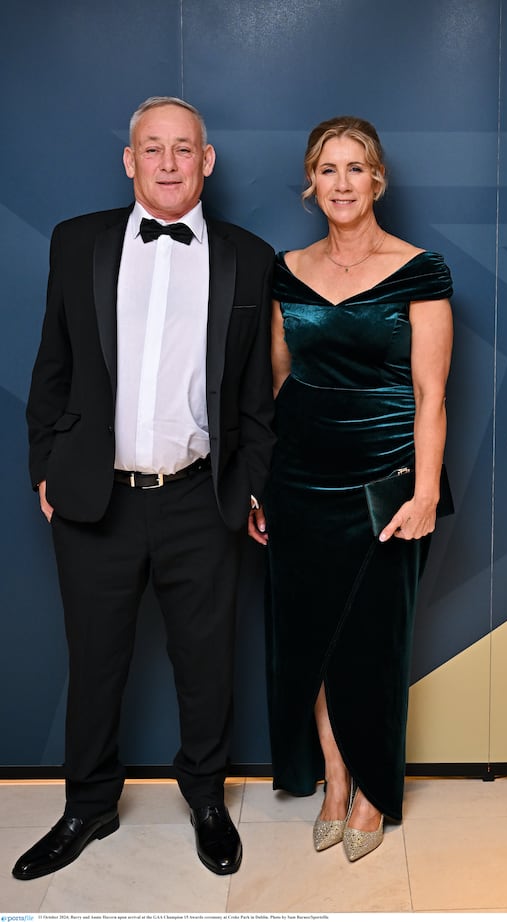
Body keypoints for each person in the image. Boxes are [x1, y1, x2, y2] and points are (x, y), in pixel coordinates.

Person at [16, 96, 275, 880]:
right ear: (130, 160)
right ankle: (88, 805)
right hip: (97, 496)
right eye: (152, 149)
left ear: (208, 162)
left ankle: (205, 799)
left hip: (203, 494)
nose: (169, 162)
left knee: (207, 661)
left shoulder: (249, 256)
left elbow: (257, 395)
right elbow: (51, 367)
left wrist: (254, 486)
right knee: (95, 661)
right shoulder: (76, 243)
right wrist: (44, 466)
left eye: (184, 149)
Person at [251, 115, 453, 861]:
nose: (341, 183)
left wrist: (425, 490)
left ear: (377, 180)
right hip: (299, 477)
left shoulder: (422, 268)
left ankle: (373, 786)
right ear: (312, 180)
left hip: (386, 480)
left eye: (355, 168)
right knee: (310, 637)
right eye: (328, 169)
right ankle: (335, 778)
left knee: (373, 639)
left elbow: (432, 394)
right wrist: (262, 486)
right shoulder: (286, 267)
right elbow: (277, 381)